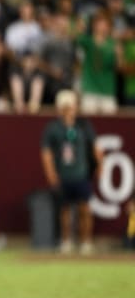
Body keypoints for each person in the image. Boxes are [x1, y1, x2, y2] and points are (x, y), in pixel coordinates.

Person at [41, 90, 102, 255]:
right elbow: (46, 153)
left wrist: (100, 166)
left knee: (85, 210)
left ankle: (86, 242)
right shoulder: (54, 128)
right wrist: (51, 174)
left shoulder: (84, 125)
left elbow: (95, 147)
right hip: (64, 175)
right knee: (65, 211)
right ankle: (66, 241)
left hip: (82, 174)